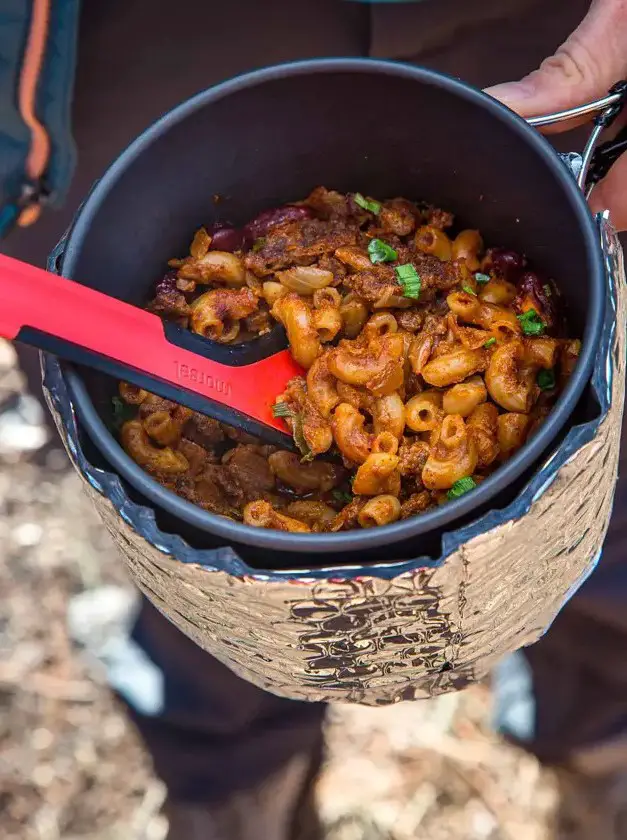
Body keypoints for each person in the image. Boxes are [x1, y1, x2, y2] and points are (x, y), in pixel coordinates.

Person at [2, 1, 627, 838]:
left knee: (603, 516)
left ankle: (600, 746)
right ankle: (235, 795)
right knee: (193, 560)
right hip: (104, 49)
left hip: (523, 26)